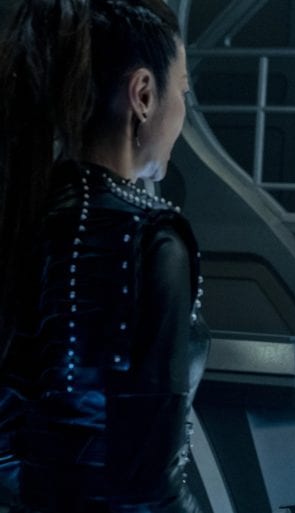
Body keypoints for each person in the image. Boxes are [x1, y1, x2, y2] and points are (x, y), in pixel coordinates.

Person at [0, 1, 208, 512]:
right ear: (143, 95)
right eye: (182, 91)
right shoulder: (152, 239)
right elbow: (148, 484)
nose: (181, 112)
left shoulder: (24, 214)